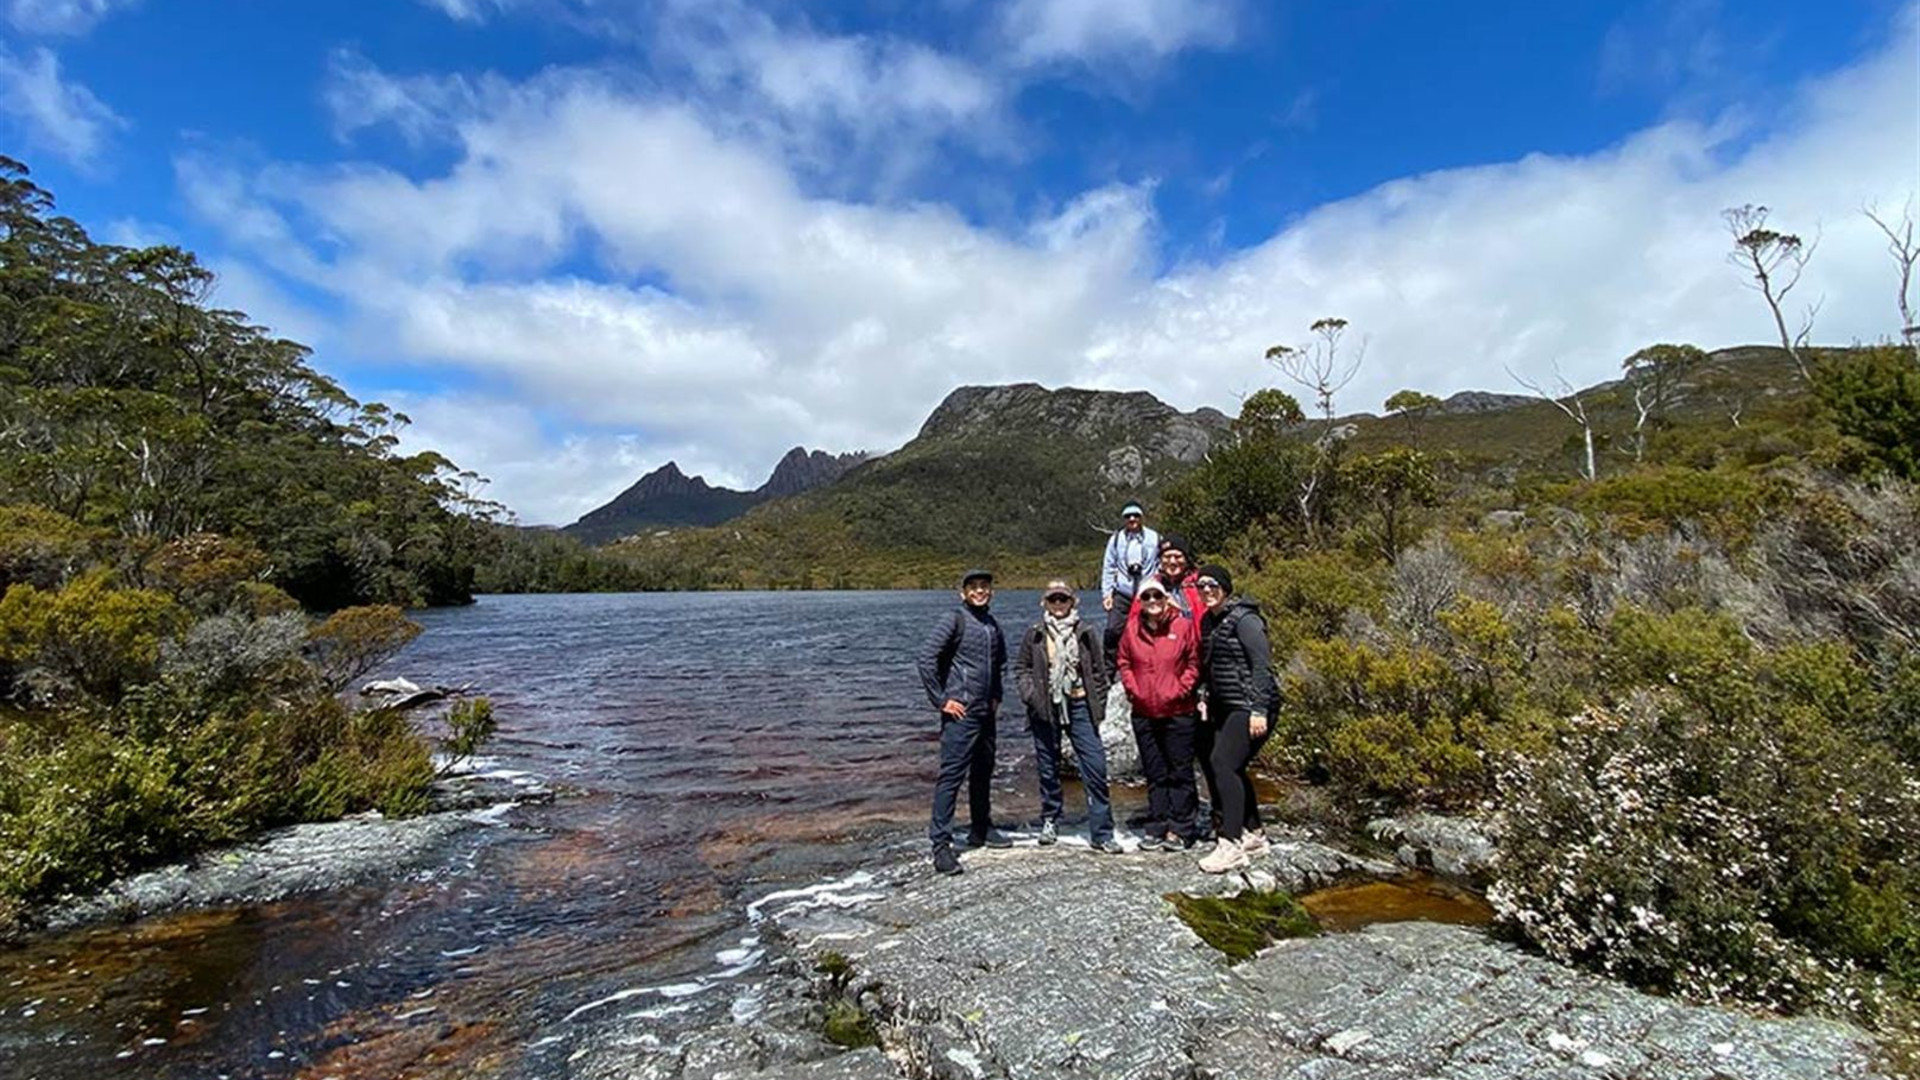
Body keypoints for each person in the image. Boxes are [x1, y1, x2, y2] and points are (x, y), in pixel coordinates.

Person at [1014, 580, 1123, 854]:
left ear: (1072, 602)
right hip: (1045, 708)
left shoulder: (1085, 632)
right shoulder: (1035, 634)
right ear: (1045, 603)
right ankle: (1050, 819)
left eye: (1064, 599)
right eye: (1054, 600)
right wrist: (1032, 696)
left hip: (1080, 706)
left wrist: (1097, 701)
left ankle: (1101, 832)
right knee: (1048, 768)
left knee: (1095, 767)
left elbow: (1100, 672)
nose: (1059, 605)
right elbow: (1022, 668)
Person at [916, 568, 1010, 876]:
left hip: (986, 714)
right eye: (974, 587)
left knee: (983, 772)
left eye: (985, 586)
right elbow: (926, 658)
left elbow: (1001, 663)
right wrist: (942, 701)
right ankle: (941, 845)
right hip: (961, 714)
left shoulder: (992, 624)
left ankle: (981, 829)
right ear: (963, 593)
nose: (980, 591)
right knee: (951, 777)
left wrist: (996, 695)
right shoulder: (954, 619)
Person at [1194, 564, 1276, 874]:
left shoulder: (1246, 620)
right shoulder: (1208, 621)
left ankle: (1231, 844)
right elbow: (1209, 666)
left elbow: (1261, 667)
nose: (1206, 591)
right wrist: (1204, 695)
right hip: (1225, 705)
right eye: (1201, 586)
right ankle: (1254, 833)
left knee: (1223, 764)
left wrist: (1258, 710)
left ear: (1226, 588)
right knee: (1233, 766)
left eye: (1213, 585)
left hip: (1249, 706)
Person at [1116, 575, 1202, 851]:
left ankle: (1181, 829)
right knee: (1155, 773)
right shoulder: (1131, 629)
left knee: (1180, 772)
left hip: (1179, 711)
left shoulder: (1183, 625)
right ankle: (1157, 826)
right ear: (1139, 602)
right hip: (1144, 712)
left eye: (1157, 596)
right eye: (1146, 597)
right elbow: (1124, 661)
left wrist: (1180, 690)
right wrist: (1133, 689)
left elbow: (1194, 662)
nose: (1152, 601)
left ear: (1166, 598)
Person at [1100, 503, 1160, 674]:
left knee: (1147, 630)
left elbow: (1159, 564)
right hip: (1122, 593)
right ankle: (1109, 670)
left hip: (1146, 594)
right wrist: (1107, 594)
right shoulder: (1116, 539)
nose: (1132, 519)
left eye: (1135, 515)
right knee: (1113, 630)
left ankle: (1146, 667)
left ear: (1141, 517)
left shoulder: (1154, 538)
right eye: (1128, 516)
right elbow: (1109, 567)